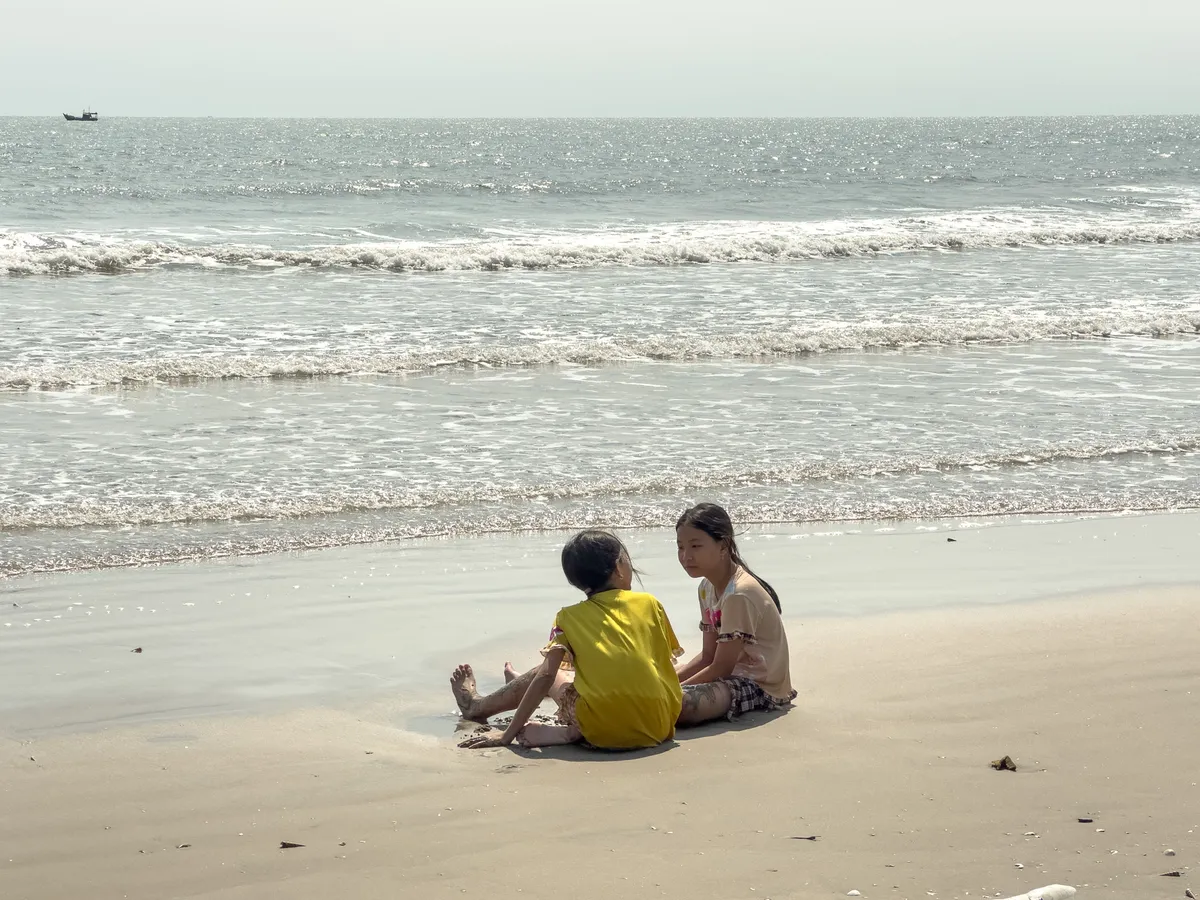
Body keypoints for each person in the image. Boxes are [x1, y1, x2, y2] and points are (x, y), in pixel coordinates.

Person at [454, 529, 684, 750]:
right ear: (618, 568)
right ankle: (523, 691)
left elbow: (546, 676)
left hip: (602, 732)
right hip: (660, 726)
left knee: (542, 673)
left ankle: (476, 707)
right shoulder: (651, 603)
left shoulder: (567, 617)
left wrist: (507, 735)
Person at [674, 503, 796, 727]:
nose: (686, 556)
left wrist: (672, 691)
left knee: (682, 705)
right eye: (680, 547)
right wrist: (670, 681)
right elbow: (708, 656)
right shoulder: (705, 588)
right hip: (729, 675)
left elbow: (722, 667)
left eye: (695, 546)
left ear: (723, 546)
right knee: (662, 674)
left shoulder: (739, 593)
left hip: (758, 684)